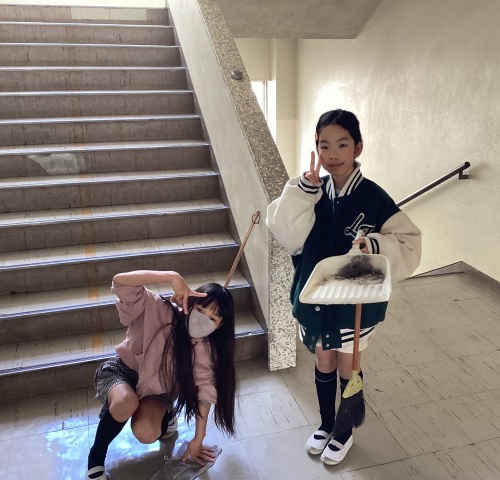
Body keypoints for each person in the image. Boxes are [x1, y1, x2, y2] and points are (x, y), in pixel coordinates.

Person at [266, 109, 421, 465]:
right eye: (324, 145)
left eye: (342, 144)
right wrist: (303, 193)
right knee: (323, 359)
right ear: (316, 148)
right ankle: (325, 424)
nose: (332, 154)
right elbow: (286, 233)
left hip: (355, 303)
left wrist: (375, 245)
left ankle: (344, 430)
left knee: (348, 365)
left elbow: (409, 241)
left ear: (358, 147)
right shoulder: (310, 191)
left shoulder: (374, 197)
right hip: (316, 297)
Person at [86, 270, 236, 480]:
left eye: (212, 318)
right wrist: (171, 276)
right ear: (191, 302)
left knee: (147, 432)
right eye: (201, 310)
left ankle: (166, 415)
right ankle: (96, 456)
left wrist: (198, 439)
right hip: (122, 372)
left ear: (220, 326)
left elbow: (204, 392)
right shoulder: (159, 309)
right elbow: (120, 282)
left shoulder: (205, 349)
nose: (203, 320)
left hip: (158, 392)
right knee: (126, 401)